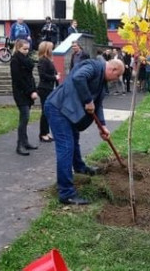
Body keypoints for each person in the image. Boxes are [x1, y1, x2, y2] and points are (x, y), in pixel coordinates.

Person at [44, 59, 125, 205]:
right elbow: (78, 77)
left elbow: (97, 104)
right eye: (117, 76)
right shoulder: (93, 66)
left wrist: (103, 126)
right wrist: (88, 100)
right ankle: (66, 193)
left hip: (69, 112)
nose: (116, 80)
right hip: (58, 109)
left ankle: (80, 168)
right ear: (113, 69)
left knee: (74, 140)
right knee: (66, 147)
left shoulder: (101, 81)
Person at [9, 39, 39, 156]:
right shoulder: (15, 61)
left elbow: (30, 77)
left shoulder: (26, 60)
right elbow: (18, 80)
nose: (26, 51)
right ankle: (20, 145)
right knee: (24, 118)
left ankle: (25, 142)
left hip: (28, 92)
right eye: (24, 49)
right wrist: (30, 91)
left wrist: (34, 90)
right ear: (18, 48)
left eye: (27, 49)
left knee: (25, 118)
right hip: (21, 94)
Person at [37, 41, 59, 143]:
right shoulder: (43, 60)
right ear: (46, 49)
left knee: (49, 112)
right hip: (44, 89)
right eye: (51, 48)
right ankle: (42, 133)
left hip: (50, 88)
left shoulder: (48, 60)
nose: (52, 50)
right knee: (45, 112)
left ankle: (46, 132)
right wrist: (54, 77)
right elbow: (43, 75)